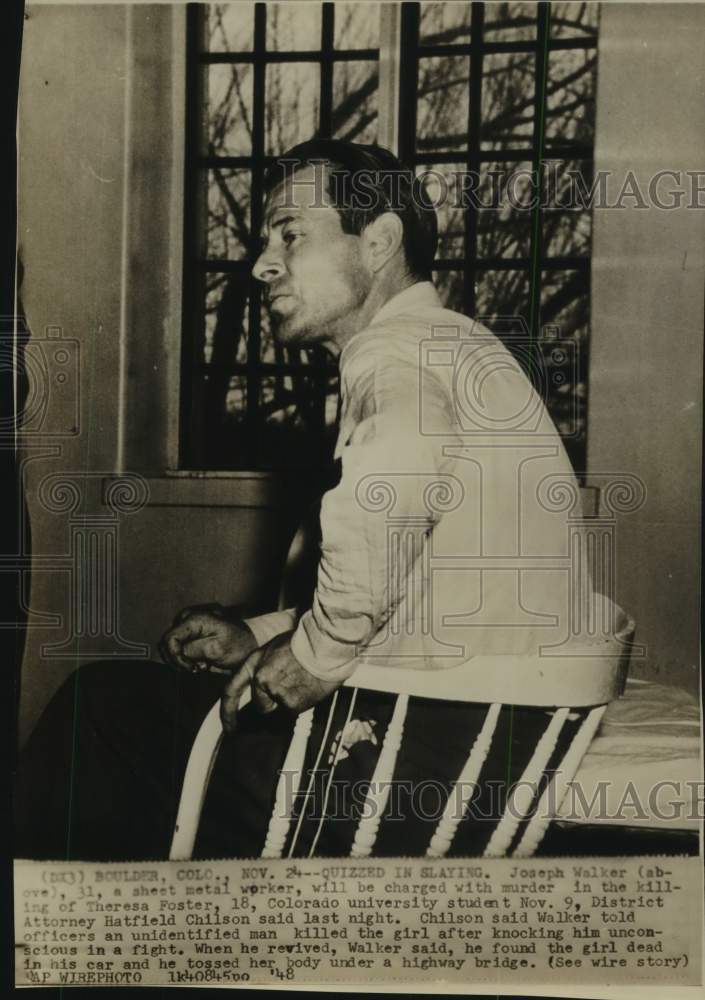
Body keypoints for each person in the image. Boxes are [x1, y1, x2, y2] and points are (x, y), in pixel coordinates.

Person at [15, 140, 589, 861]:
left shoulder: (395, 350)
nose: (261, 263)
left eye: (290, 233)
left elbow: (390, 496)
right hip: (461, 751)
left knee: (94, 712)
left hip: (390, 774)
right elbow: (414, 581)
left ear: (378, 240)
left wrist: (320, 650)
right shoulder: (456, 347)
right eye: (264, 240)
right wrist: (260, 635)